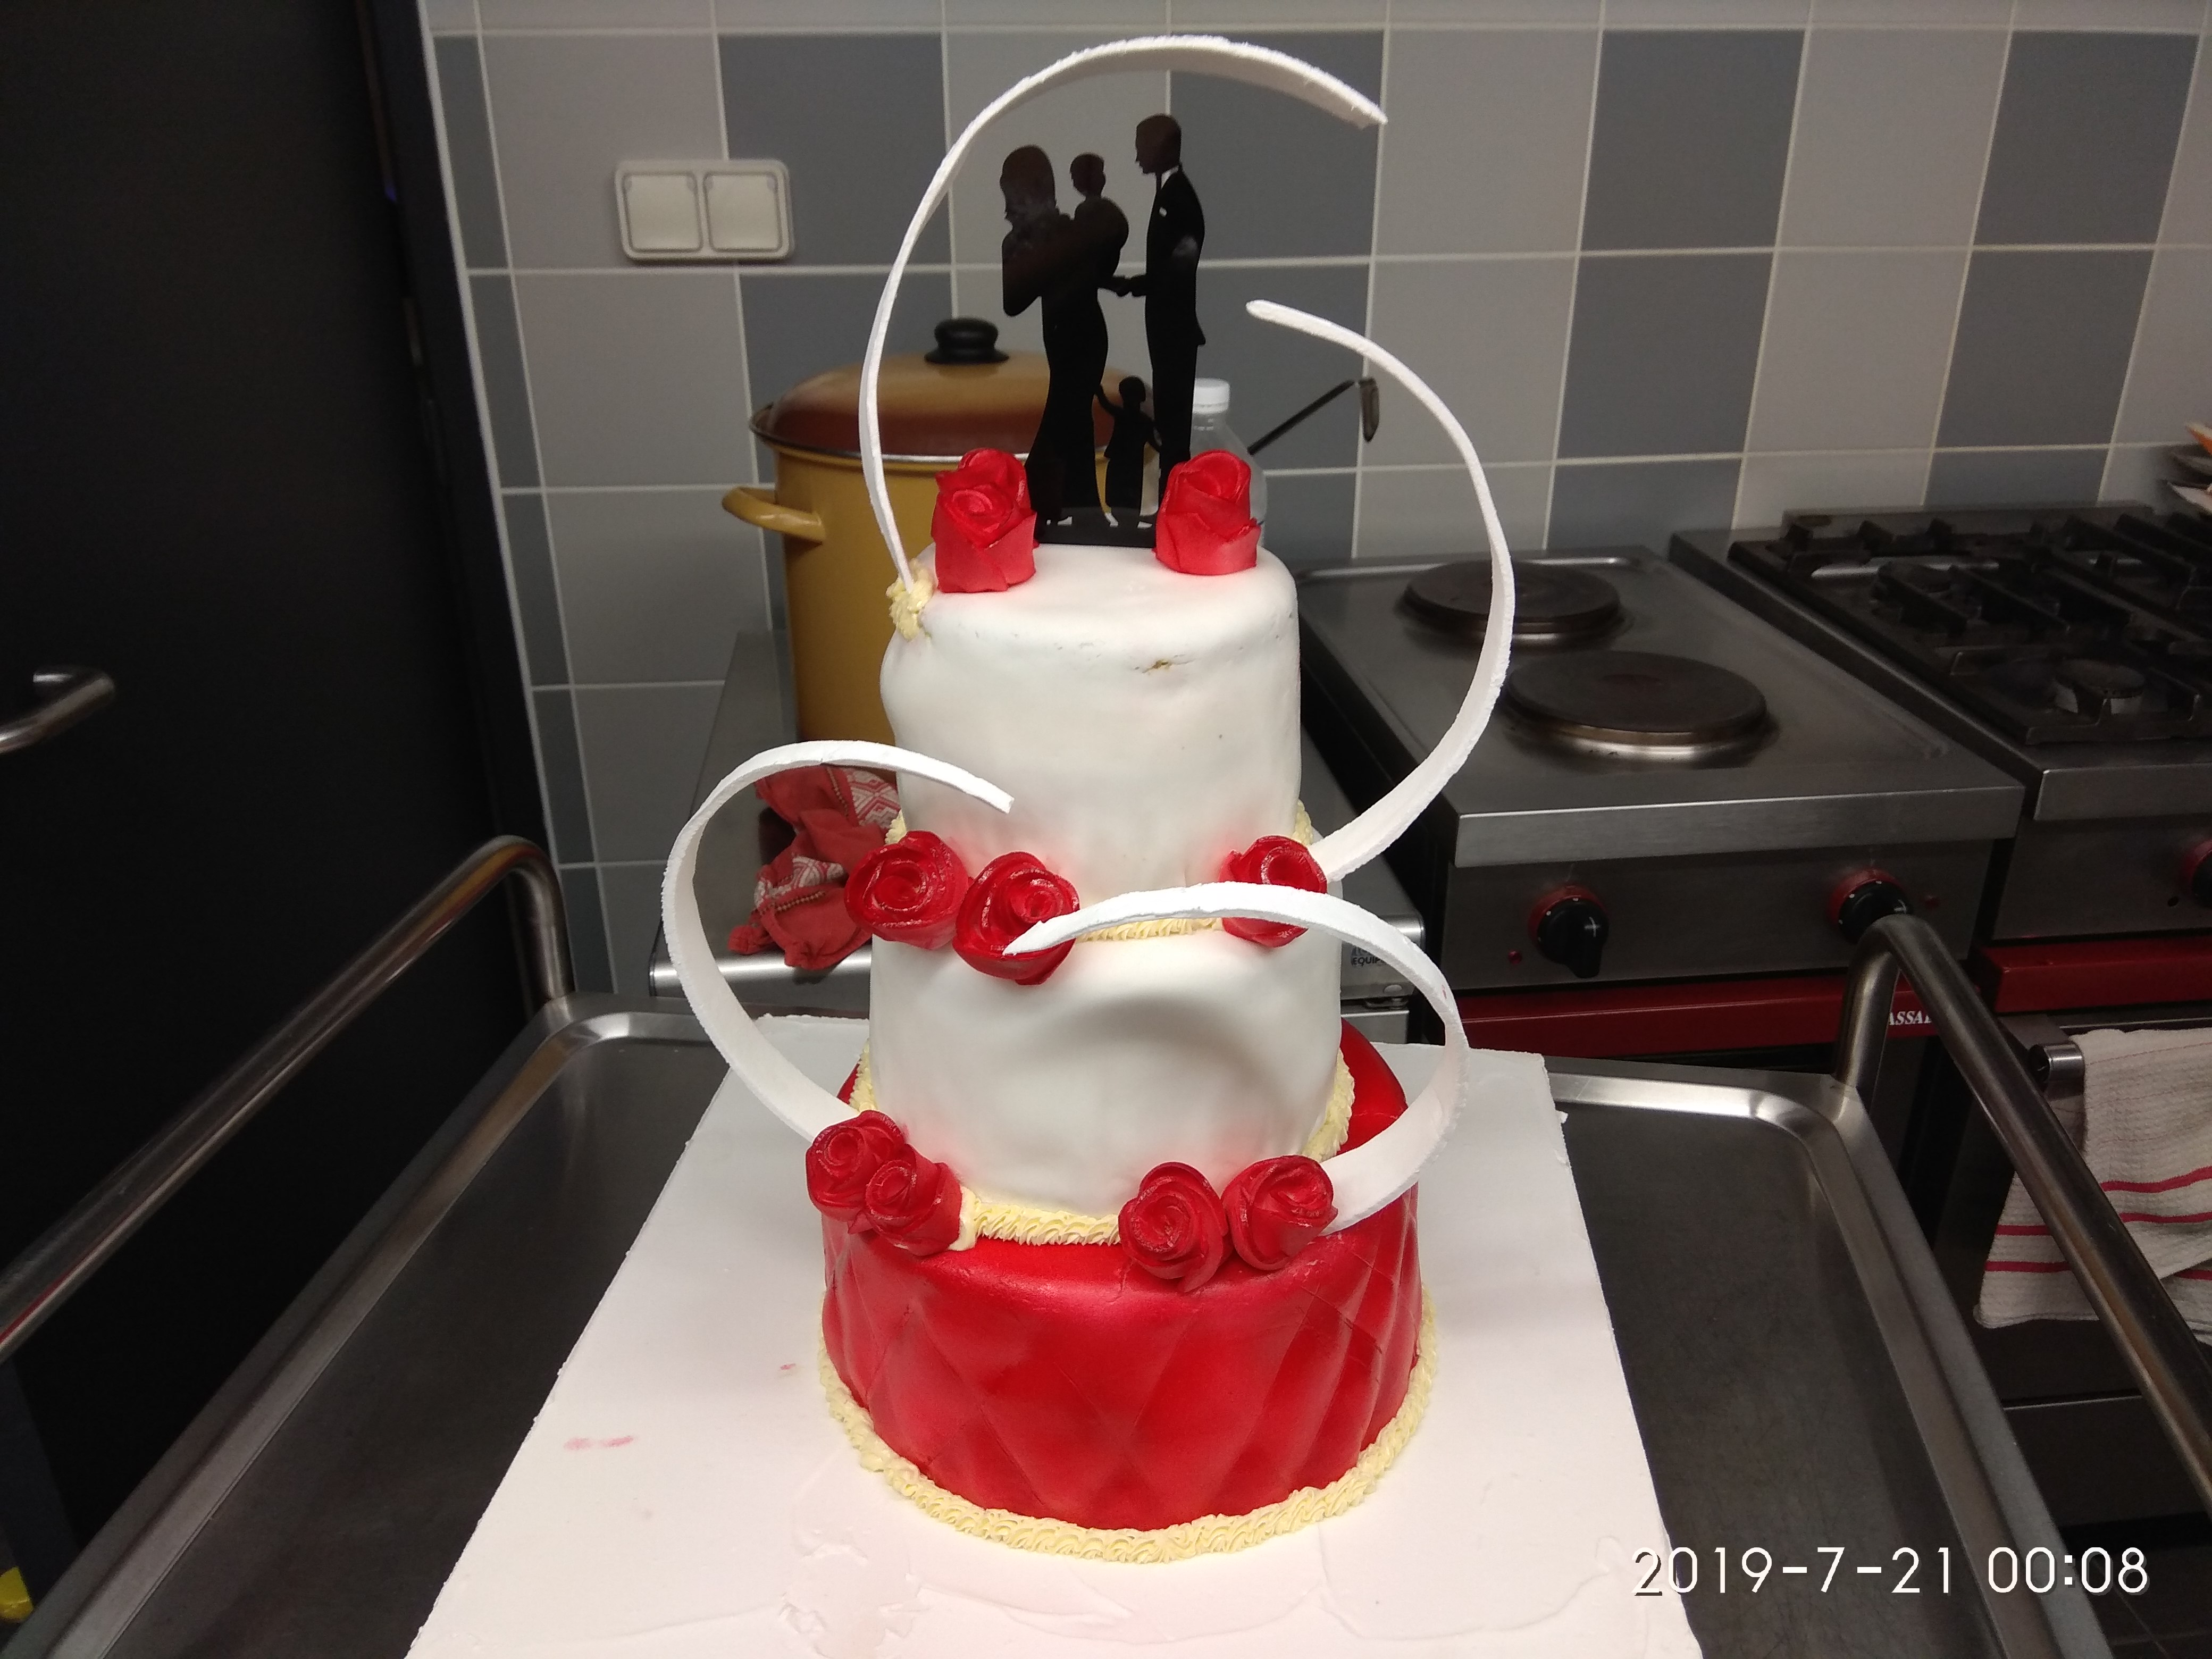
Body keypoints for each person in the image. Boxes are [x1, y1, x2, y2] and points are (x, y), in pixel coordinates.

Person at [1118, 114, 1204, 487]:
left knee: (1173, 423)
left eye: (1142, 146)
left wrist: (1136, 285)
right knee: (1169, 419)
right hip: (1167, 325)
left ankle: (1174, 494)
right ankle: (1172, 492)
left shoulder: (1177, 197)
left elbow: (1178, 268)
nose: (1137, 155)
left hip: (1174, 328)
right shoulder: (1169, 193)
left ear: (1163, 147)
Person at [1096, 375, 1153, 515]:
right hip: (1130, 463)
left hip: (1125, 462)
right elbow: (1152, 441)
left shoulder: (1128, 417)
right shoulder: (1144, 420)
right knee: (1123, 495)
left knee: (1122, 494)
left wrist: (1099, 392)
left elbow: (1106, 405)